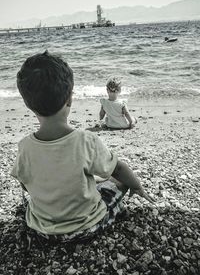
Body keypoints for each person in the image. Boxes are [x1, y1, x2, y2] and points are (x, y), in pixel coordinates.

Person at [11, 51, 153, 242]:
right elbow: (119, 168)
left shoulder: (25, 147)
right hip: (87, 226)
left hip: (42, 229)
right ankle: (113, 205)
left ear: (28, 105)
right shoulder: (85, 140)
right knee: (118, 181)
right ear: (69, 99)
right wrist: (136, 186)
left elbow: (24, 183)